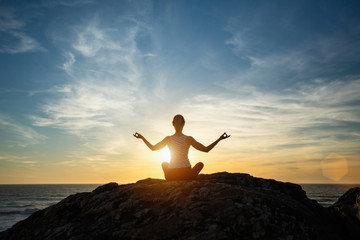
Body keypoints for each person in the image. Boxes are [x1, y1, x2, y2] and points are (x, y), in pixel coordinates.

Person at [133, 114, 230, 180]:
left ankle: (171, 178)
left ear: (173, 124)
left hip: (171, 175)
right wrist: (219, 139)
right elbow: (206, 149)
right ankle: (189, 177)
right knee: (200, 164)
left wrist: (142, 138)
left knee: (164, 164)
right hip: (186, 174)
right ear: (183, 124)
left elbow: (153, 148)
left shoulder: (168, 139)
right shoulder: (188, 139)